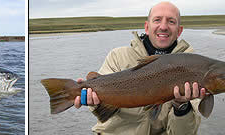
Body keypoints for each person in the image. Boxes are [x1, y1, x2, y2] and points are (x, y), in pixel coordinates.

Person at [74, 2, 207, 135]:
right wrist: (92, 101)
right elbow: (101, 108)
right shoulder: (118, 56)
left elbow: (184, 133)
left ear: (179, 30)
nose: (164, 26)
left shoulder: (192, 68)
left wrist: (182, 107)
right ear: (147, 27)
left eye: (171, 21)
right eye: (157, 20)